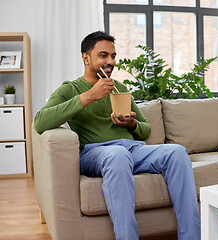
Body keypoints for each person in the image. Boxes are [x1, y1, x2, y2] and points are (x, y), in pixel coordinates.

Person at [34, 31, 200, 240]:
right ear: (86, 58)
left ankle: (191, 237)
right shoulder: (71, 89)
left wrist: (131, 124)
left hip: (132, 149)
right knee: (117, 155)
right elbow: (40, 122)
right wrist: (88, 96)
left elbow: (145, 129)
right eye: (103, 55)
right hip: (96, 153)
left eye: (113, 56)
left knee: (176, 152)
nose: (110, 61)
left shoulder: (119, 88)